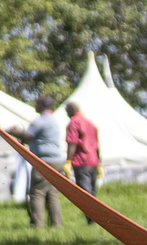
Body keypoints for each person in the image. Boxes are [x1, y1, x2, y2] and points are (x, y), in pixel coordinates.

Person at [19, 96, 66, 228]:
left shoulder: (40, 121)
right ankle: (57, 224)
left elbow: (28, 136)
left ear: (42, 106)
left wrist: (13, 132)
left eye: (37, 103)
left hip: (44, 161)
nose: (35, 105)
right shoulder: (54, 120)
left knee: (37, 192)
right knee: (52, 193)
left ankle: (37, 224)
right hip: (57, 160)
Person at [64, 100, 102, 215]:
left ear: (70, 111)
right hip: (94, 161)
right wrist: (99, 162)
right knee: (93, 192)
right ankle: (96, 217)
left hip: (82, 161)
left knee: (85, 194)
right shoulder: (90, 123)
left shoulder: (73, 123)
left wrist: (68, 161)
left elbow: (72, 143)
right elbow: (96, 144)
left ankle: (93, 218)